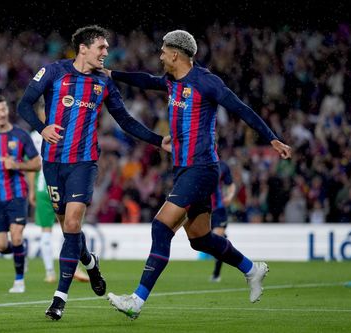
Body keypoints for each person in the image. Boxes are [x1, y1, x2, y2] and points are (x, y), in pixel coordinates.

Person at [104, 30, 292, 319]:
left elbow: (242, 109)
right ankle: (252, 270)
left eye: (164, 51)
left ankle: (136, 301)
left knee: (161, 226)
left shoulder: (206, 82)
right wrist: (112, 73)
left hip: (201, 168)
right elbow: (146, 80)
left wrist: (272, 138)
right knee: (200, 238)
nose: (160, 56)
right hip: (184, 169)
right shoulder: (170, 81)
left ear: (176, 54)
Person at [17, 25, 166, 320]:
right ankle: (89, 260)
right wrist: (42, 127)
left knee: (72, 222)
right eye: (102, 47)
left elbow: (124, 120)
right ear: (83, 48)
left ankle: (59, 299)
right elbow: (23, 105)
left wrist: (159, 141)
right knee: (68, 229)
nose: (106, 53)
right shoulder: (53, 72)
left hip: (84, 162)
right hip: (53, 162)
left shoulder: (104, 83)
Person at [0, 95, 41, 293]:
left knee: (17, 236)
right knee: (1, 246)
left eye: (4, 109)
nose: (2, 114)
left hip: (17, 194)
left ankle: (19, 281)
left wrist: (17, 164)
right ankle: (20, 254)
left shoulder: (20, 136)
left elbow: (37, 163)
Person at [28, 102, 90, 284]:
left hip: (58, 184)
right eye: (43, 111)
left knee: (69, 227)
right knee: (51, 230)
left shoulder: (59, 131)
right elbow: (32, 166)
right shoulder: (36, 137)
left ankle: (68, 268)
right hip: (45, 186)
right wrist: (31, 190)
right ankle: (50, 271)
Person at [209, 160, 236, 282]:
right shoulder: (197, 163)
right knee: (208, 243)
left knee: (216, 242)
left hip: (218, 210)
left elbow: (230, 184)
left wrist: (230, 196)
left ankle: (216, 274)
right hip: (203, 211)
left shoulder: (222, 166)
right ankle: (223, 238)